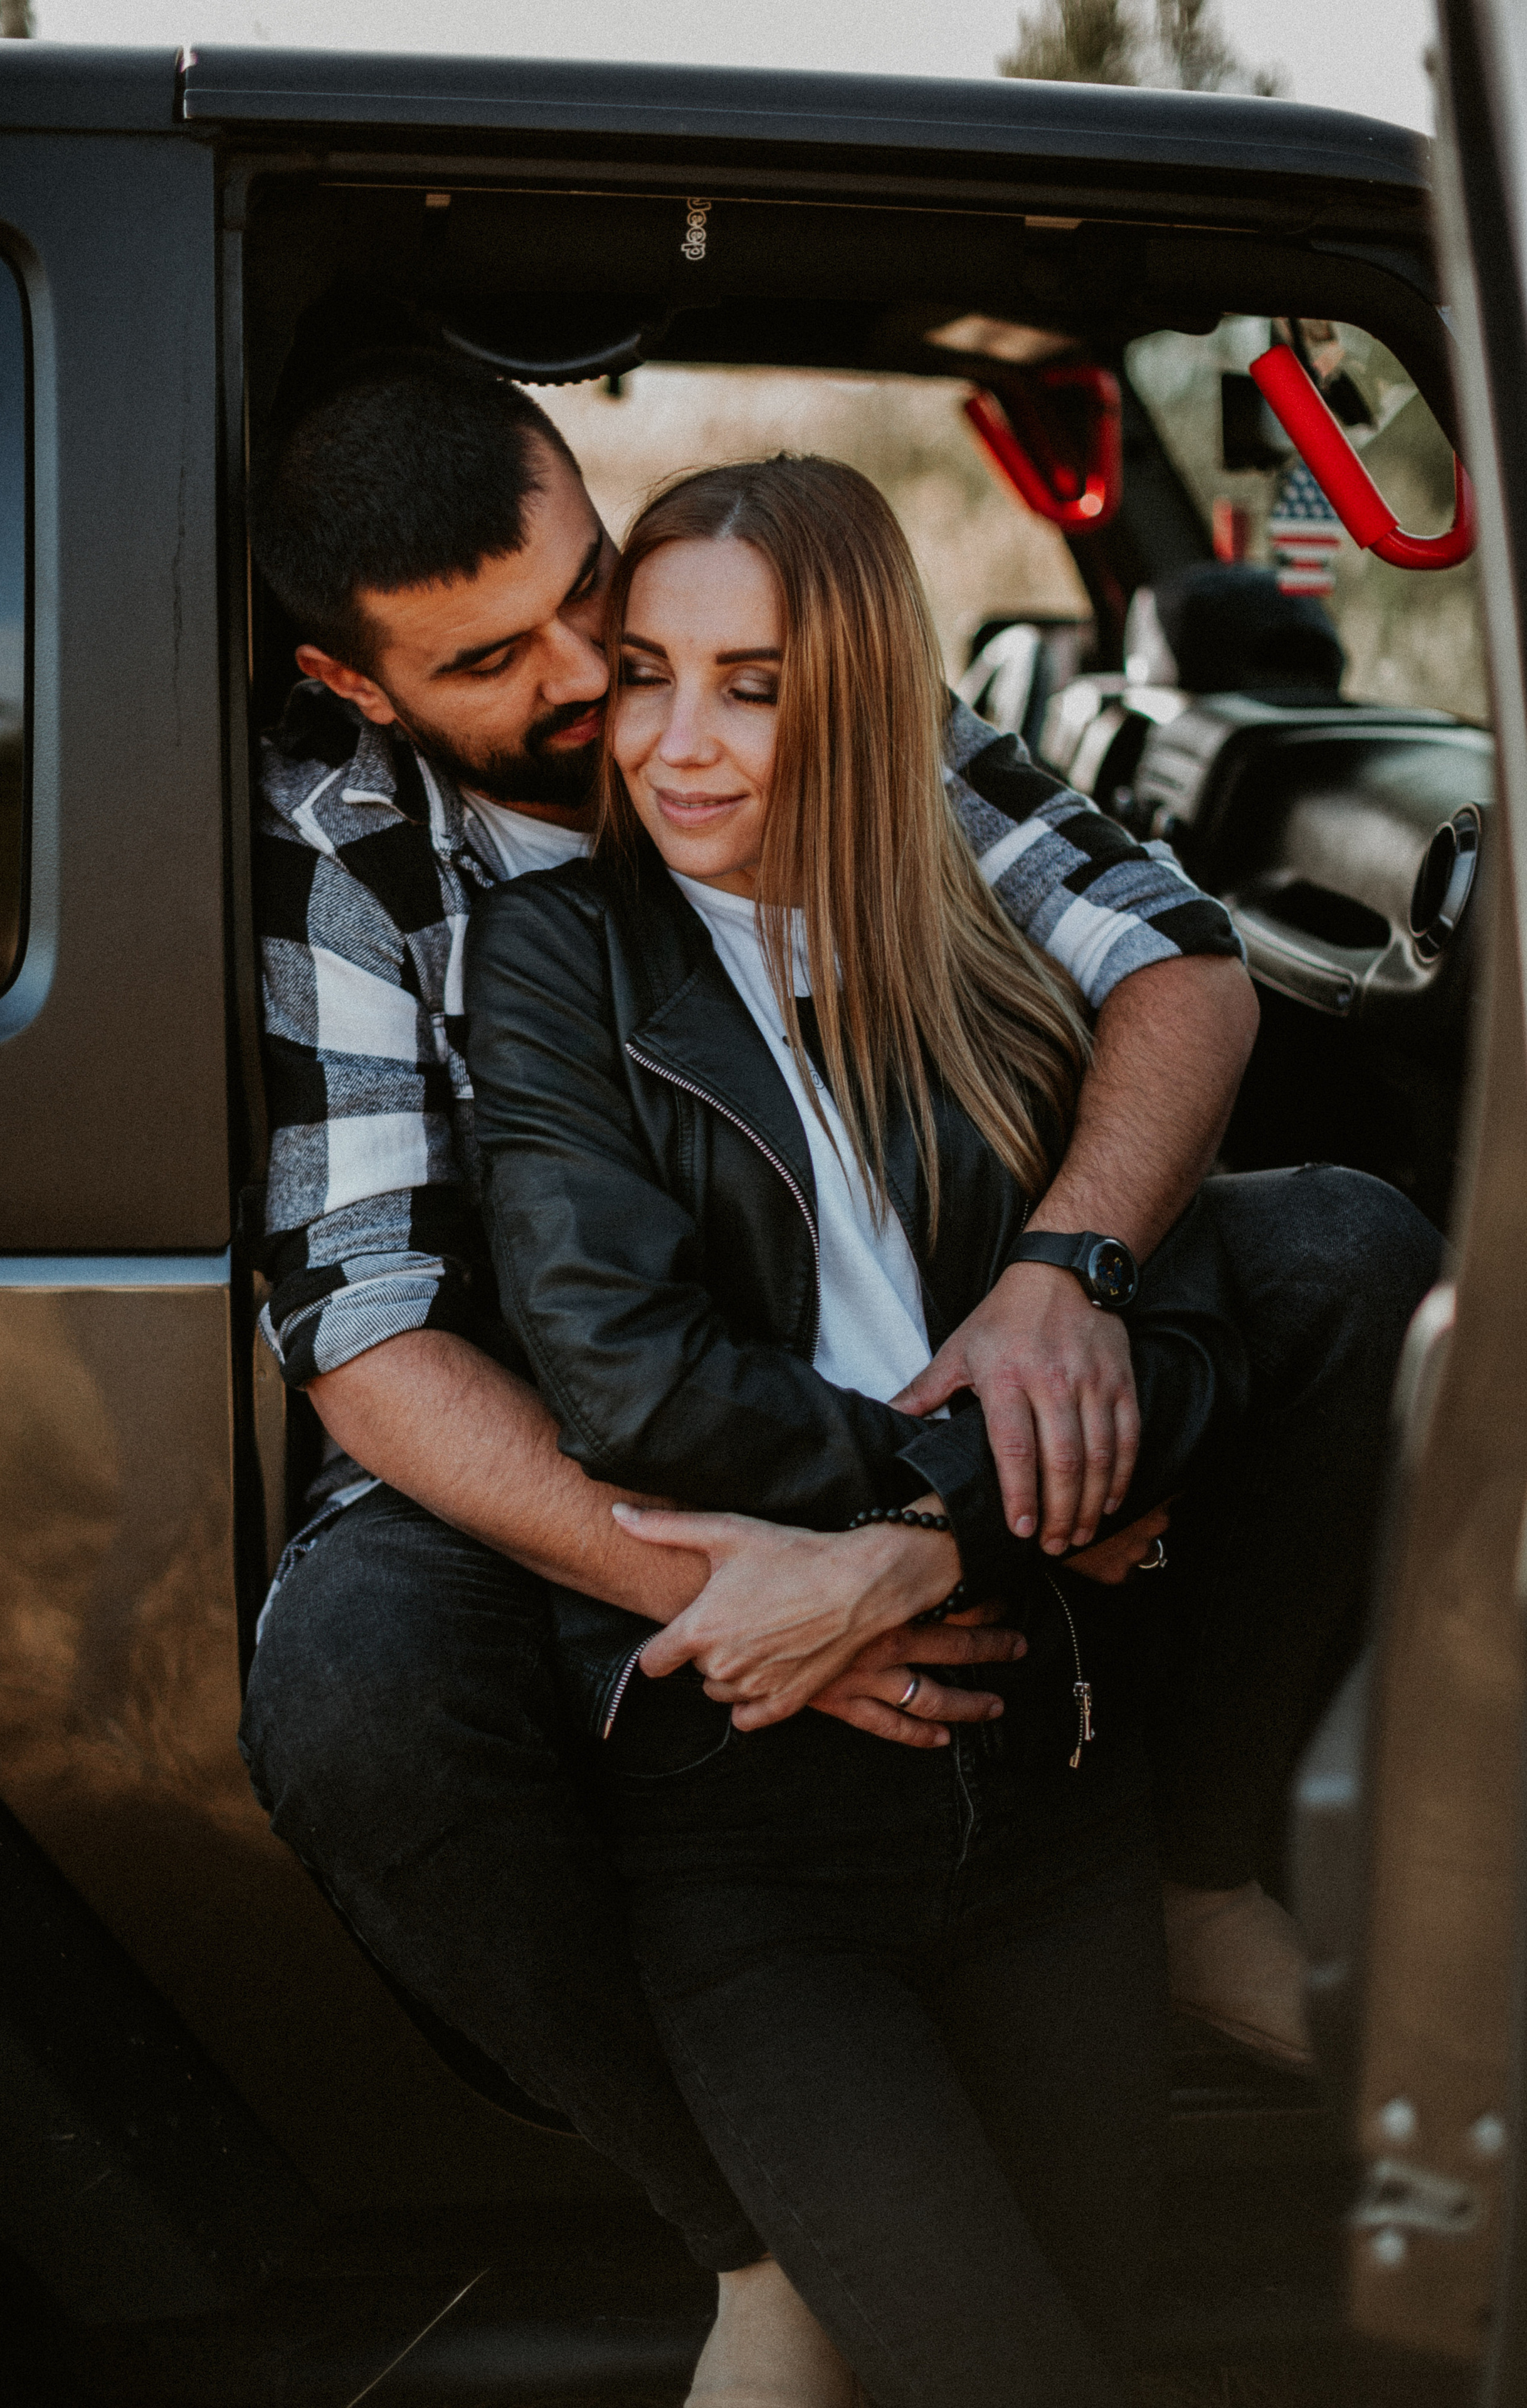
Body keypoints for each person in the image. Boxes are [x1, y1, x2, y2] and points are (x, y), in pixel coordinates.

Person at [237, 346, 1440, 2396]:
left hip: (945, 1359)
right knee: (352, 1679)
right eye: (496, 661)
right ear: (356, 685)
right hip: (595, 1428)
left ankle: (1190, 1865)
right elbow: (367, 1330)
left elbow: (1178, 956)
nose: (601, 681)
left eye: (587, 590)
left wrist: (1068, 1274)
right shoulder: (363, 847)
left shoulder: (746, 683)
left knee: (1340, 1249)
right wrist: (748, 1577)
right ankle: (744, 2223)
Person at [463, 453, 1265, 2402]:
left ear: (871, 691)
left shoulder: (987, 960)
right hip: (756, 1837)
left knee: (1097, 2339)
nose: (676, 744)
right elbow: (626, 1377)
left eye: (753, 683)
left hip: (1050, 1785)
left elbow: (1201, 1341)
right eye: (647, 672)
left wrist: (915, 1554)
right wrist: (984, 1496)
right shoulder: (559, 960)